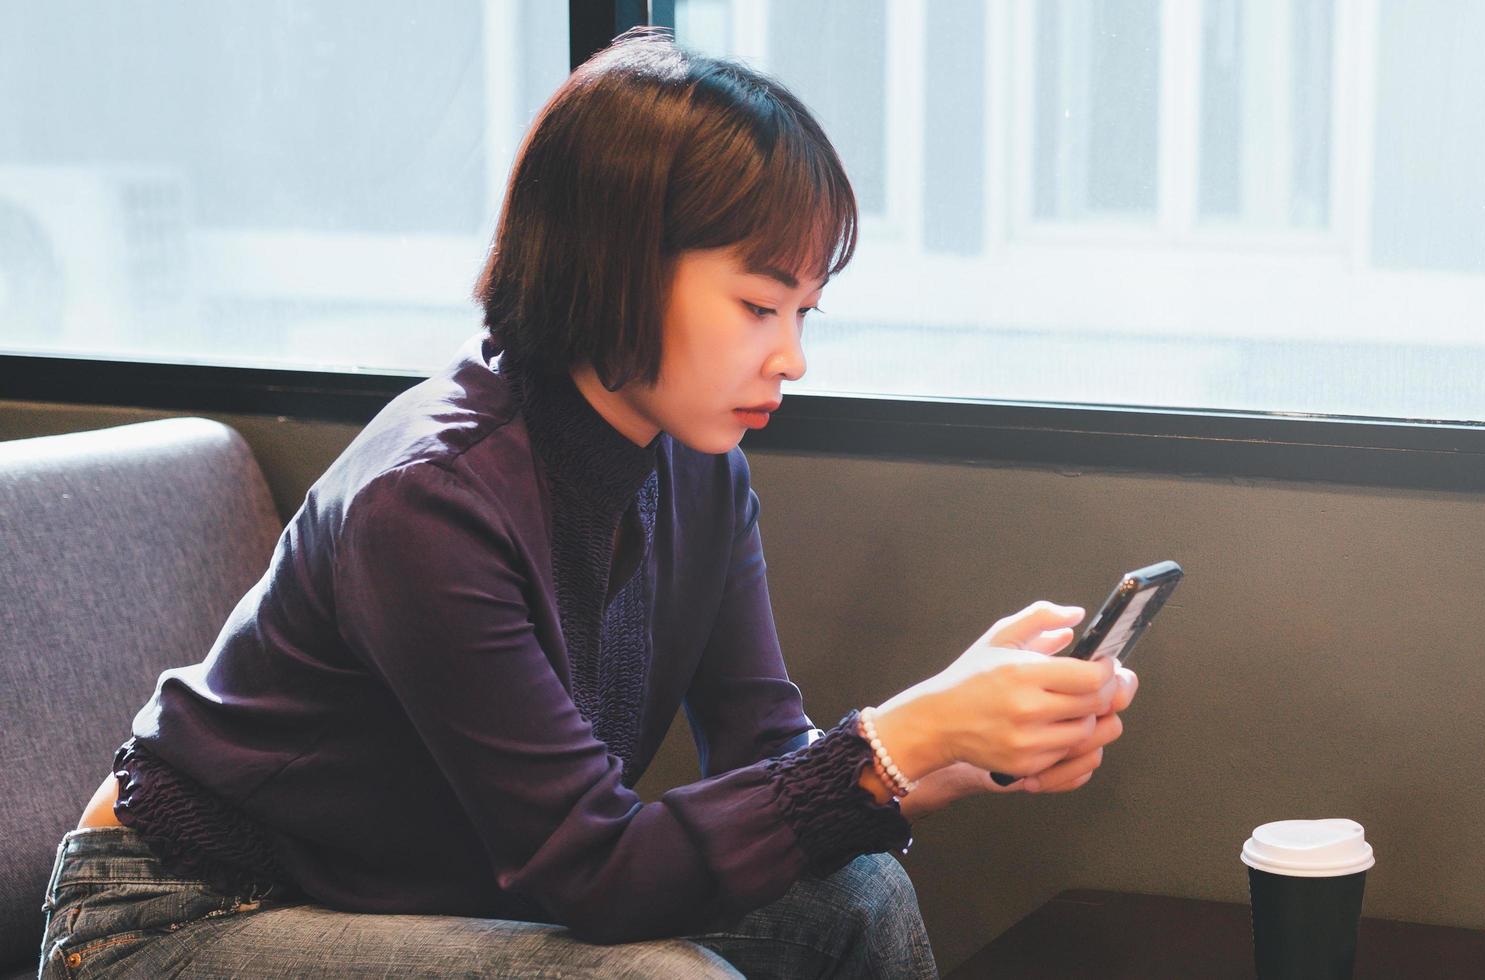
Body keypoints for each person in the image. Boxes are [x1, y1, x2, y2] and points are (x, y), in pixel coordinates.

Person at [36, 31, 1136, 979]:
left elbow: (772, 763)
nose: (793, 355)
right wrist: (911, 731)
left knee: (856, 897)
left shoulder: (699, 471)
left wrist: (964, 739)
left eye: (805, 308)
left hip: (393, 890)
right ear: (614, 263)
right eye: (759, 303)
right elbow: (597, 871)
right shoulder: (429, 500)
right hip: (175, 920)